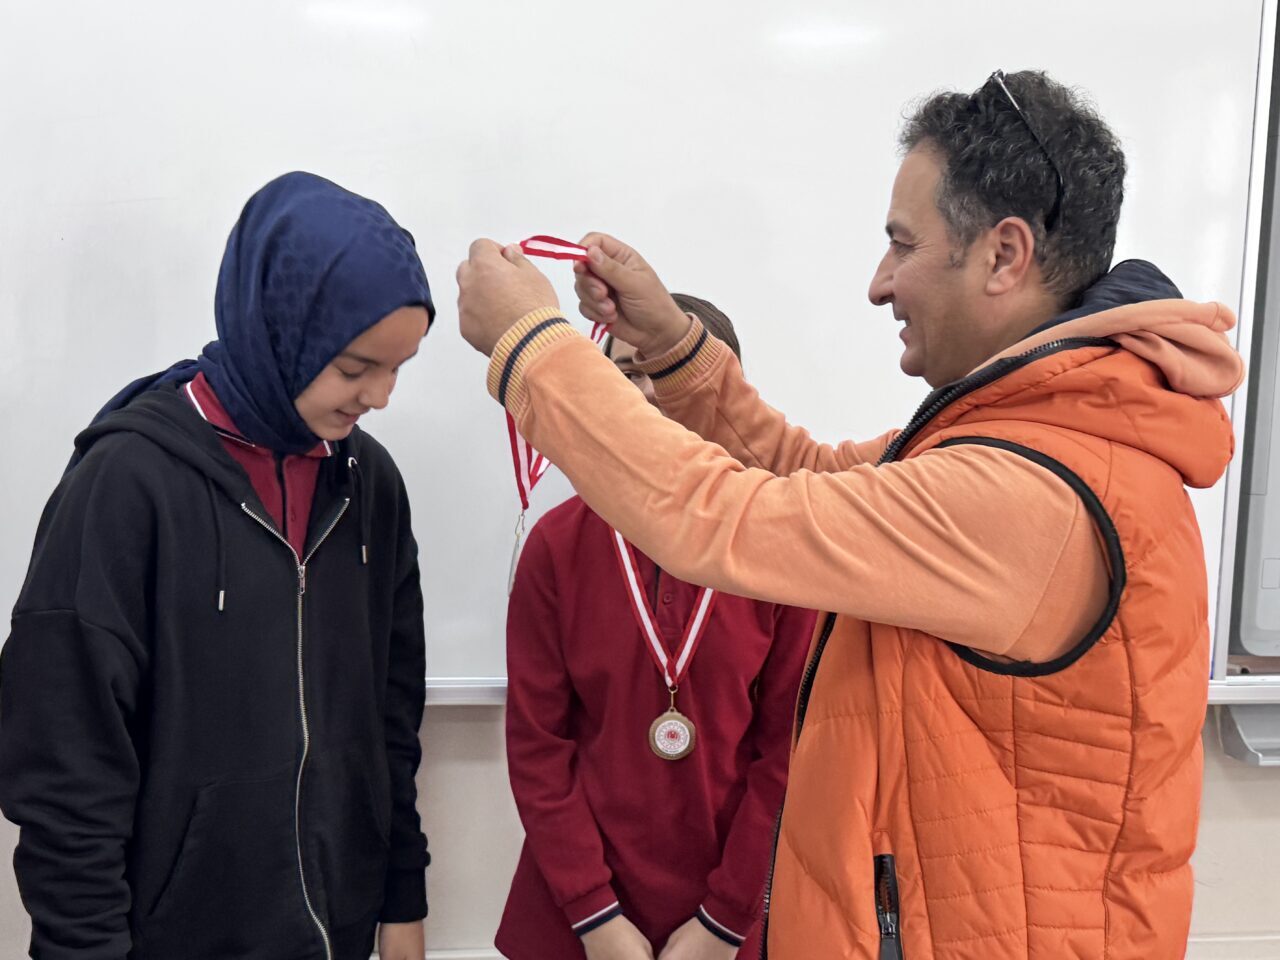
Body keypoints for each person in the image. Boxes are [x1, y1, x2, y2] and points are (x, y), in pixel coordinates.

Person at [456, 69, 1246, 959]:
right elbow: (811, 474)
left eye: (902, 245)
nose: (879, 284)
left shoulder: (1033, 492)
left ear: (1004, 255)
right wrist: (675, 346)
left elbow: (724, 518)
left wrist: (532, 348)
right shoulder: (1020, 439)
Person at [0, 172, 433, 960]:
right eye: (354, 367)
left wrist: (403, 894)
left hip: (339, 931)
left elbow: (391, 716)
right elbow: (65, 762)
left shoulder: (369, 484)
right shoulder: (127, 482)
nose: (380, 395)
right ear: (280, 328)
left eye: (399, 366)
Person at [497, 295, 812, 960]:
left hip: (731, 915)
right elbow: (538, 747)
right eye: (622, 374)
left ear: (718, 392)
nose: (642, 392)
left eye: (662, 371)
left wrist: (724, 922)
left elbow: (787, 754)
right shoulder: (556, 546)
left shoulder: (779, 546)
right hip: (577, 915)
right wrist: (595, 917)